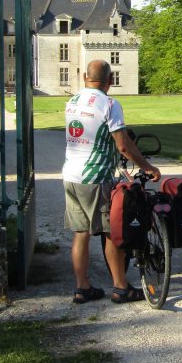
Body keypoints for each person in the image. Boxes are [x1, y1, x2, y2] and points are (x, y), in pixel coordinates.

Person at [63, 59, 161, 304]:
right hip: (96, 177)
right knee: (111, 232)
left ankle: (82, 287)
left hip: (71, 175)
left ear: (86, 77)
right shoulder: (109, 104)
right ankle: (120, 287)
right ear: (110, 81)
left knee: (81, 233)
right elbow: (123, 145)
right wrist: (147, 168)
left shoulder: (73, 101)